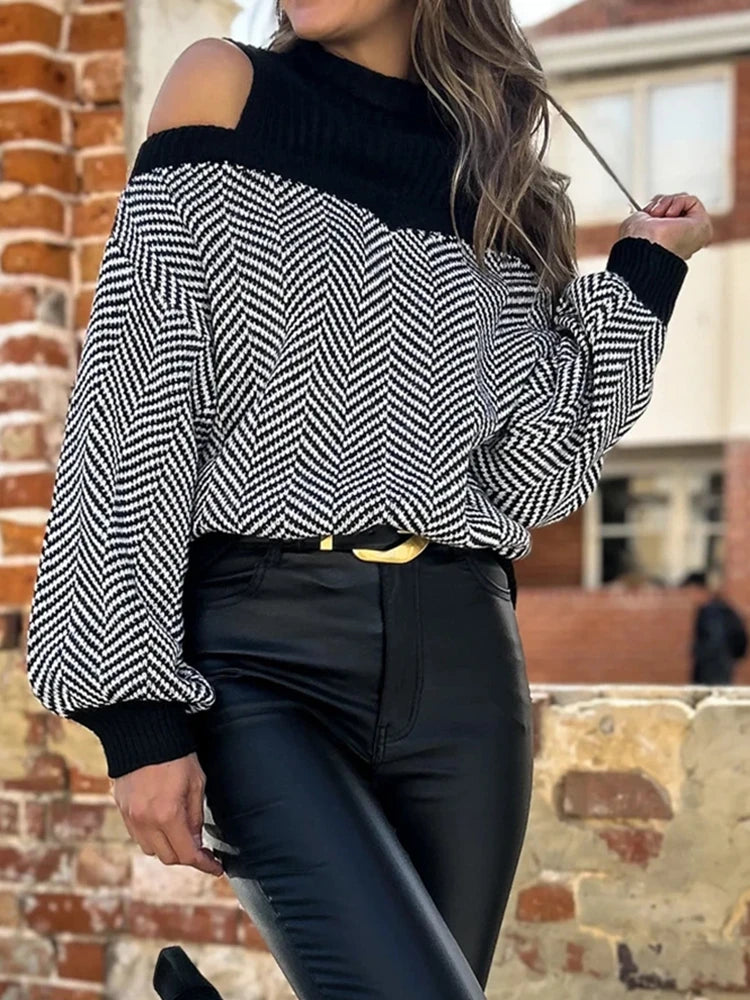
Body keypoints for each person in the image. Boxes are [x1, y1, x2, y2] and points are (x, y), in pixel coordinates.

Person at [24, 1, 711, 996]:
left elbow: (532, 470)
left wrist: (646, 270)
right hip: (262, 664)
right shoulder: (226, 88)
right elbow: (138, 405)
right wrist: (135, 712)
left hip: (466, 668)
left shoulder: (500, 181)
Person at [681, 571, 748, 685]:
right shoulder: (722, 610)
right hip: (720, 668)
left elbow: (713, 643)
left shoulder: (711, 613)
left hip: (712, 672)